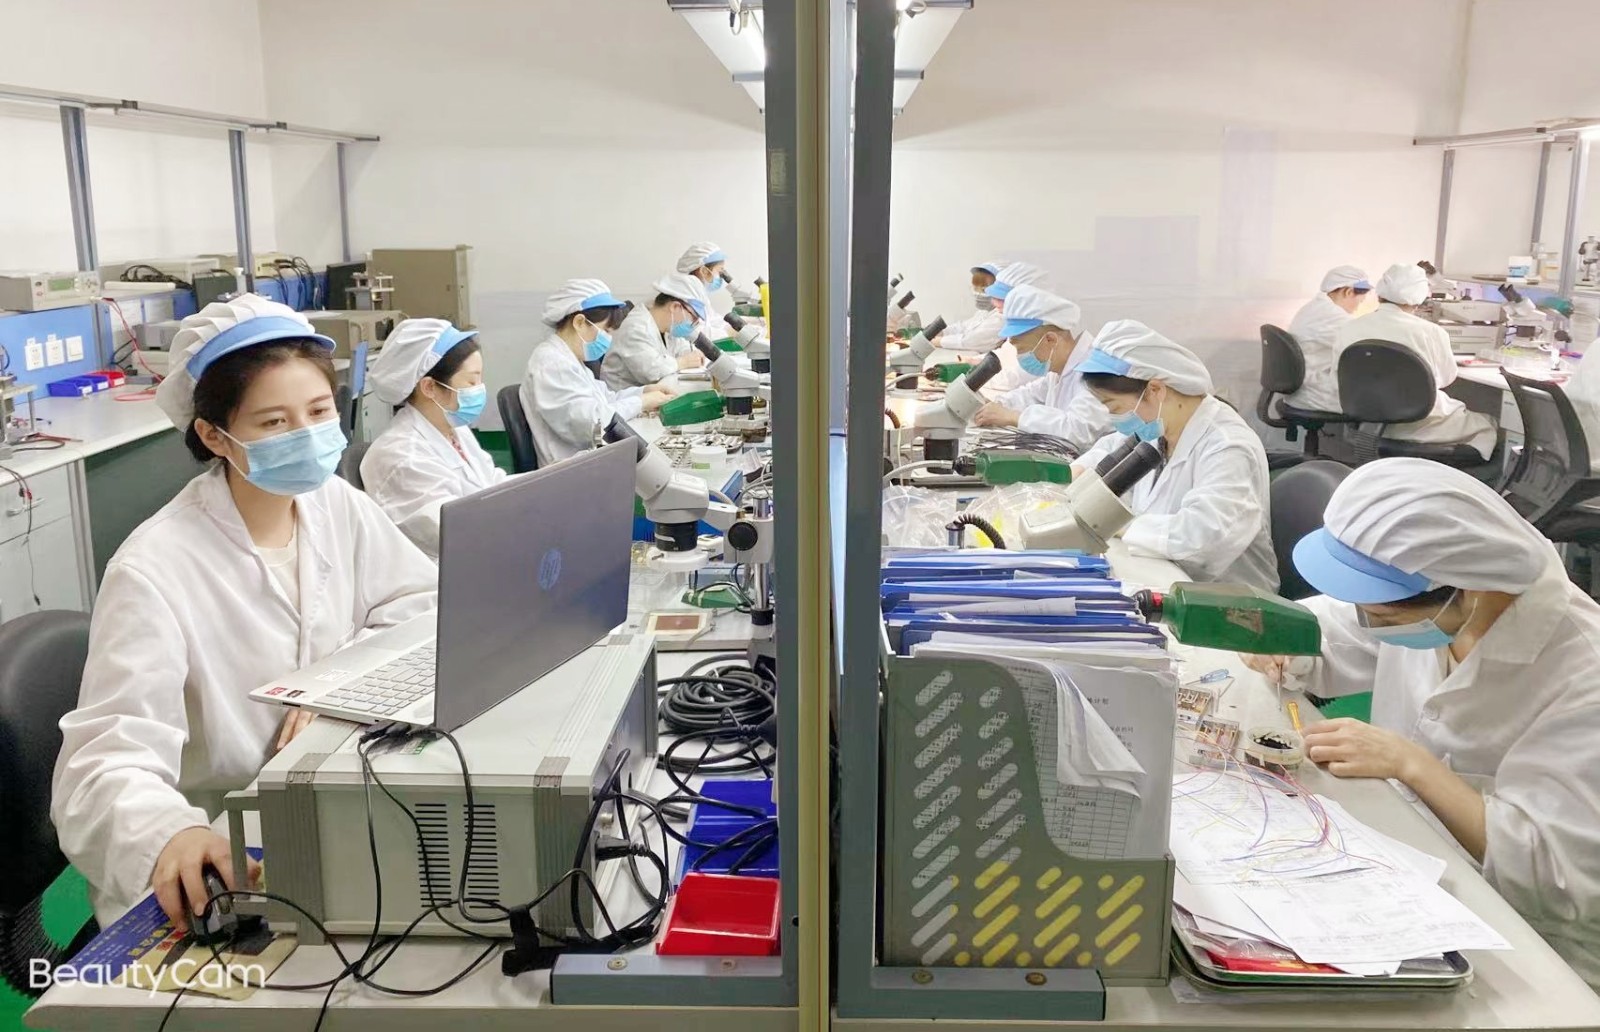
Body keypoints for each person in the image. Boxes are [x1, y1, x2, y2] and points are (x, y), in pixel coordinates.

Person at [51, 295, 437, 930]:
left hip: (335, 791)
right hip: (227, 849)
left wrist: (337, 685)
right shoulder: (154, 568)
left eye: (319, 412)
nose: (307, 435)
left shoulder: (335, 503)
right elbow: (104, 762)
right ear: (213, 435)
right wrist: (170, 834)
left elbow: (418, 604)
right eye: (275, 422)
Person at [1244, 459, 1600, 988]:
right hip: (1410, 873)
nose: (1369, 624)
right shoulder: (1439, 602)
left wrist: (1413, 765)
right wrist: (1283, 643)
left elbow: (1555, 879)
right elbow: (1340, 628)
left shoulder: (1583, 676)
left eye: (1383, 617)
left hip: (1536, 950)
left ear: (1465, 590)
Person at [1072, 321, 1278, 592]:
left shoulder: (1229, 447)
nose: (1113, 418)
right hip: (1161, 573)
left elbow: (1203, 537)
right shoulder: (1160, 425)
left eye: (1115, 407)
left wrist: (1120, 525)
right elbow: (1109, 450)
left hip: (1225, 597)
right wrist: (1074, 474)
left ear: (1155, 390)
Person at [360, 318, 507, 559]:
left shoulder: (452, 429)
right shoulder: (400, 456)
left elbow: (491, 482)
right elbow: (454, 532)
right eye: (471, 381)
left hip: (482, 553)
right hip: (440, 574)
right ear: (429, 387)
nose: (479, 389)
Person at [1332, 263, 1497, 459]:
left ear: (1380, 294)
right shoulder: (1431, 332)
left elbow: (1338, 377)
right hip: (1421, 426)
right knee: (1488, 425)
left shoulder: (1349, 328)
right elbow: (1445, 379)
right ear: (1419, 298)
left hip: (1367, 425)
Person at [520, 278, 671, 467]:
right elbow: (594, 422)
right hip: (570, 469)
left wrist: (643, 392)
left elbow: (605, 400)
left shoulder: (570, 359)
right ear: (579, 322)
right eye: (605, 330)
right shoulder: (551, 363)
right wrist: (641, 402)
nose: (608, 338)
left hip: (590, 457)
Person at [970, 285, 1111, 455]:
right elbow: (1031, 394)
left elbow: (1076, 431)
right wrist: (997, 405)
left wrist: (1014, 417)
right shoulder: (1059, 369)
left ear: (1050, 340)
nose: (1020, 356)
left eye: (1022, 349)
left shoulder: (1095, 374)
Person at [600, 273, 710, 392]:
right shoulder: (636, 328)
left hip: (653, 393)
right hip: (627, 398)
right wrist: (683, 362)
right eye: (693, 318)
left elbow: (682, 349)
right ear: (675, 307)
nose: (693, 324)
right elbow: (651, 372)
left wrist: (692, 356)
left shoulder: (669, 327)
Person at [1282, 265, 1371, 412]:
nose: (1358, 306)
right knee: (1380, 397)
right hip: (1315, 395)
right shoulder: (1334, 317)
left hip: (1302, 389)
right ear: (1348, 292)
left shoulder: (1315, 307)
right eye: (1360, 301)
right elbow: (1366, 346)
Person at [978, 261, 1052, 395]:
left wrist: (973, 375)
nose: (994, 302)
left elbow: (1015, 379)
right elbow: (1006, 353)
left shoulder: (1041, 333)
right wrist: (977, 363)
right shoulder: (1021, 324)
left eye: (1001, 298)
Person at [933, 261, 1005, 353]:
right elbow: (963, 327)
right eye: (976, 288)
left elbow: (973, 341)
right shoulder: (984, 312)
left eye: (984, 289)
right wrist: (938, 332)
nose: (978, 294)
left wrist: (937, 341)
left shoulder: (1002, 317)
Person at [677, 242, 735, 328]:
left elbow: (713, 319)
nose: (721, 277)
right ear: (704, 271)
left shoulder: (699, 292)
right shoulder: (687, 295)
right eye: (720, 271)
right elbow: (700, 329)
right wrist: (731, 331)